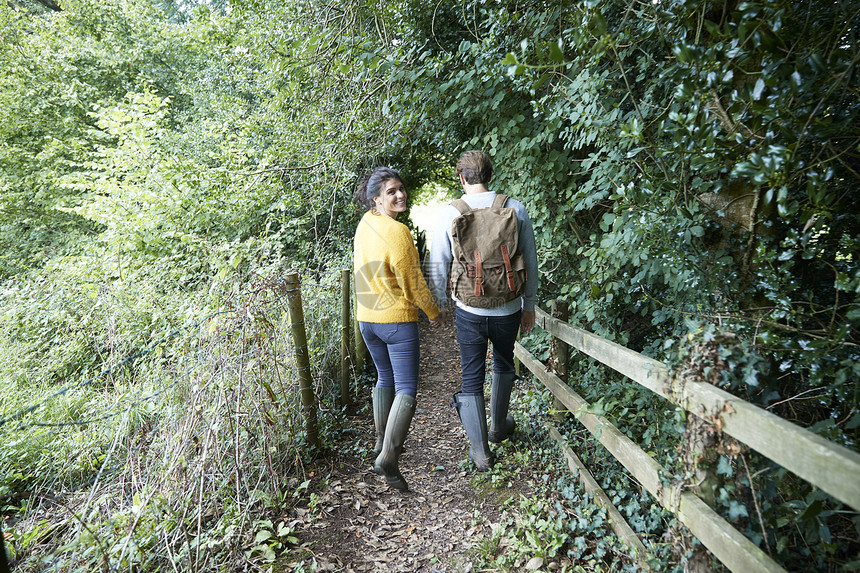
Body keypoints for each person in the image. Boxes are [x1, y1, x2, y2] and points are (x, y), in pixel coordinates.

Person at [428, 151, 538, 471]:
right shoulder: (514, 208)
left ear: (462, 178)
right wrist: (528, 306)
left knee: (472, 374)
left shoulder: (449, 213)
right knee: (504, 362)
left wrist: (438, 306)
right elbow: (530, 263)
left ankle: (480, 452)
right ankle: (499, 426)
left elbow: (438, 266)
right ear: (490, 174)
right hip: (508, 309)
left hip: (469, 309)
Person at [353, 167, 445, 491]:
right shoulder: (398, 232)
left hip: (367, 319)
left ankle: (381, 441)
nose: (400, 195)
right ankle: (388, 458)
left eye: (401, 189)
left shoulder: (365, 224)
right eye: (391, 191)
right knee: (406, 388)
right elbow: (414, 283)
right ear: (376, 198)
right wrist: (433, 312)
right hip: (395, 320)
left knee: (384, 378)